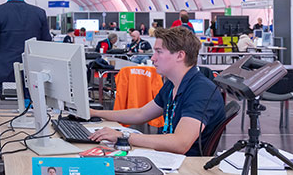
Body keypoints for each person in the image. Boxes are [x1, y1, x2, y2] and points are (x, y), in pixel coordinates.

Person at [88, 27, 225, 156]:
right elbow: (140, 114)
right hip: (165, 156)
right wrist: (95, 113)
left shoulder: (201, 91)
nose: (153, 58)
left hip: (183, 165)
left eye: (159, 52)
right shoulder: (172, 84)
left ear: (180, 55)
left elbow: (180, 143)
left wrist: (124, 136)